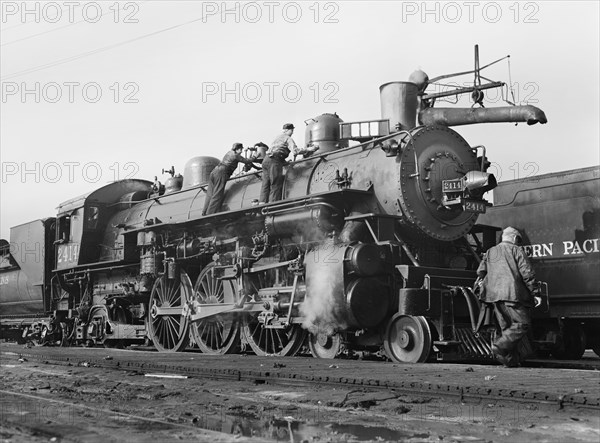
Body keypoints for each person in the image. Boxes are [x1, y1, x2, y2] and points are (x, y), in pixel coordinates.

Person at [477, 226, 539, 367]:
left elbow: (480, 271)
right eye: (518, 240)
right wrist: (536, 293)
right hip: (511, 294)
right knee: (522, 324)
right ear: (515, 238)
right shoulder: (516, 250)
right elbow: (527, 273)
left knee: (506, 328)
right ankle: (499, 345)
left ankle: (510, 362)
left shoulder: (490, 251)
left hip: (493, 297)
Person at [260, 123, 318, 203]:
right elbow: (295, 151)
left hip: (266, 161)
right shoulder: (288, 138)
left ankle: (262, 202)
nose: (293, 132)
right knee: (276, 183)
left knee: (265, 184)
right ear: (287, 130)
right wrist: (310, 149)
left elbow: (275, 151)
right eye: (292, 130)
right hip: (274, 161)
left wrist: (285, 162)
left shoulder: (277, 137)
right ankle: (272, 203)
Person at [202, 143, 256, 215]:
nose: (242, 151)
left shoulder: (229, 153)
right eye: (241, 149)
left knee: (210, 193)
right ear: (237, 149)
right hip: (221, 173)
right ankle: (210, 214)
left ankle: (204, 212)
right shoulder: (236, 155)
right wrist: (255, 157)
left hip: (214, 171)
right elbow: (246, 161)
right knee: (218, 194)